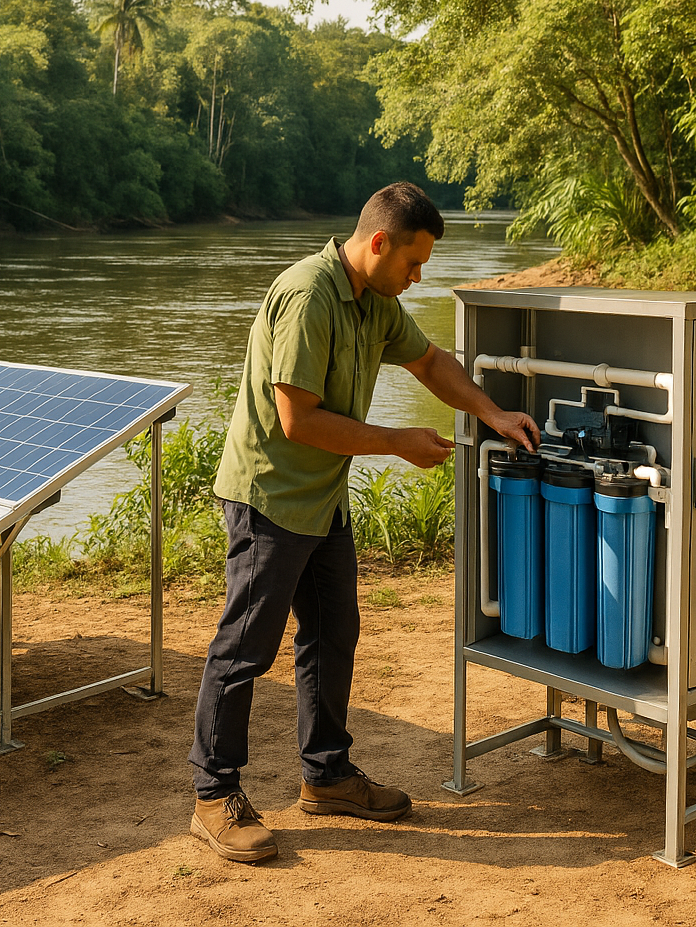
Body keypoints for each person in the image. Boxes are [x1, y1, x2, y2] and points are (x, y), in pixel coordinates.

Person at [189, 182, 539, 862]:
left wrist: (492, 413)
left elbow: (429, 361)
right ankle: (213, 794)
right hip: (271, 498)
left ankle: (326, 776)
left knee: (333, 634)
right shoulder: (308, 296)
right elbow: (298, 420)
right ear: (379, 243)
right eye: (414, 263)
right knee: (246, 648)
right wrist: (397, 442)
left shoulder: (375, 300)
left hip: (322, 498)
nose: (418, 277)